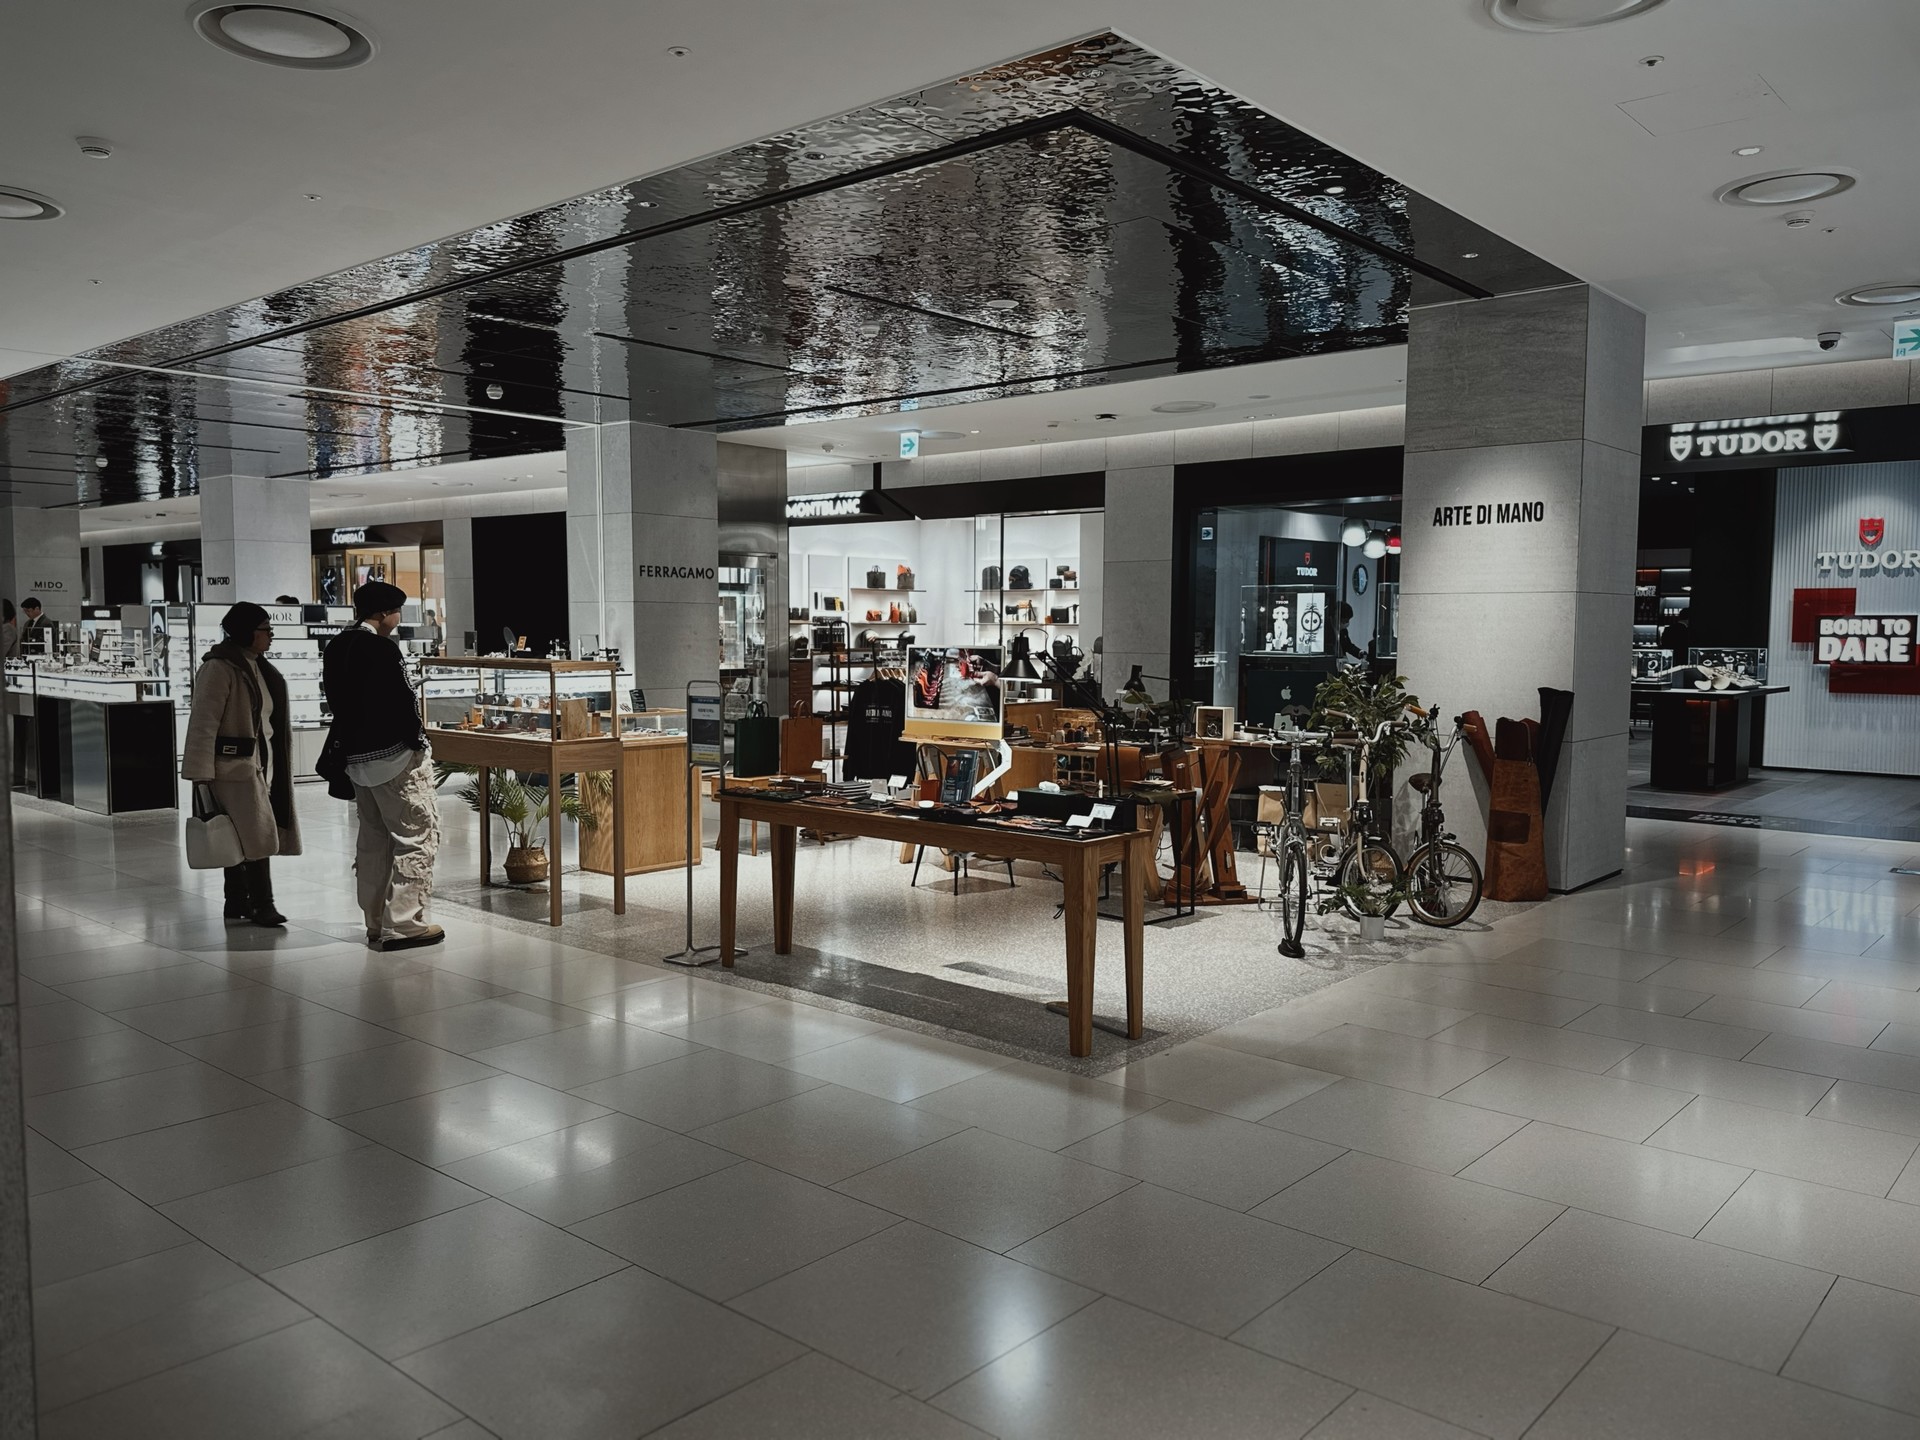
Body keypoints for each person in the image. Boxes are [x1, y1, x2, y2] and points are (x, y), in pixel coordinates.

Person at [321, 580, 443, 951]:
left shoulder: (337, 646)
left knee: (373, 842)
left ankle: (374, 922)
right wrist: (418, 742)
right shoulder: (383, 649)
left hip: (356, 759)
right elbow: (404, 702)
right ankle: (404, 923)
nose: (398, 618)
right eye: (397, 611)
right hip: (394, 758)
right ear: (384, 612)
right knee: (416, 836)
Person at [181, 602, 299, 926]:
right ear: (247, 632)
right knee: (254, 833)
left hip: (261, 763)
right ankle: (263, 903)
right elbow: (203, 723)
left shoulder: (258, 667)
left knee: (240, 834)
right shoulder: (219, 669)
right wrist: (200, 774)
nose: (271, 635)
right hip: (233, 769)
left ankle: (236, 900)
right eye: (265, 630)